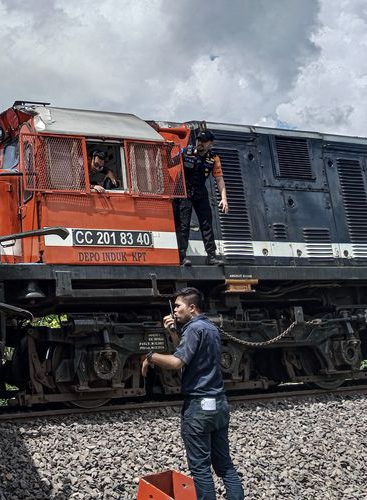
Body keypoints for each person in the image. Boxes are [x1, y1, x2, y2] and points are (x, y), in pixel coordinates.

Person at [141, 287, 244, 500]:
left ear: (192, 307)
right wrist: (172, 332)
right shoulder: (210, 328)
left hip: (198, 407)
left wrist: (151, 357)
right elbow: (188, 355)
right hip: (219, 404)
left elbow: (177, 362)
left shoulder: (193, 329)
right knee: (224, 465)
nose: (175, 311)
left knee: (200, 468)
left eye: (178, 306)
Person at [172, 130, 228, 266]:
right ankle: (182, 256)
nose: (200, 143)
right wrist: (170, 150)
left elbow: (219, 179)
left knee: (206, 224)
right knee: (184, 225)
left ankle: (211, 256)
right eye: (199, 140)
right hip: (184, 191)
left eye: (204, 141)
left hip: (201, 192)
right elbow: (170, 162)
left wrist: (224, 198)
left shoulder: (214, 158)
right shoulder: (186, 151)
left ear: (210, 143)